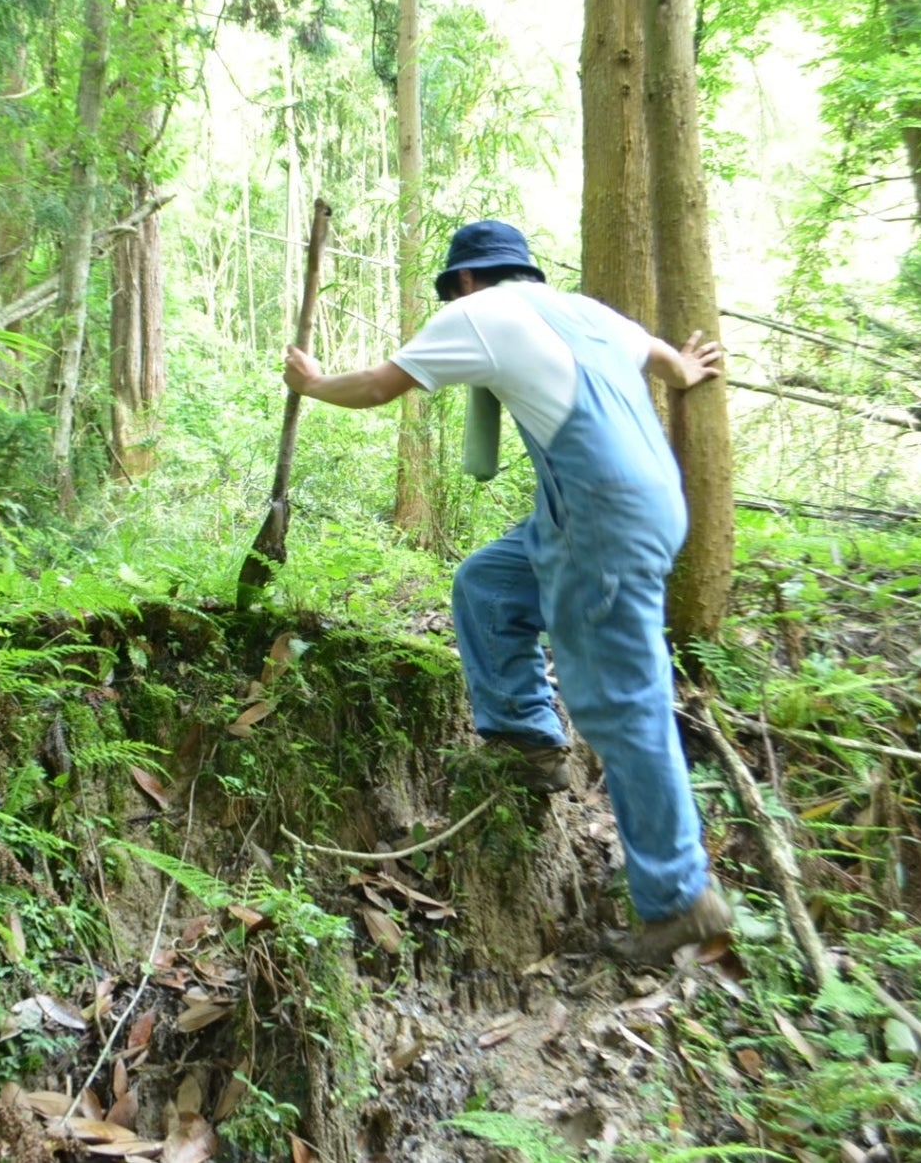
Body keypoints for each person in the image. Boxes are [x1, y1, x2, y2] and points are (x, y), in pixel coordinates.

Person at [280, 219, 730, 963]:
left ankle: (681, 897)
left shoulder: (476, 314)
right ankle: (526, 736)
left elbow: (382, 385)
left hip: (602, 517)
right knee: (487, 585)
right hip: (621, 505)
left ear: (463, 280)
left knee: (625, 704)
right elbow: (661, 360)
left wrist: (314, 383)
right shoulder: (587, 312)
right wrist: (686, 368)